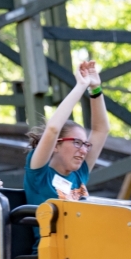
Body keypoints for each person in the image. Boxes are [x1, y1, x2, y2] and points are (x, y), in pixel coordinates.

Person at [23, 60, 109, 246]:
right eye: (77, 143)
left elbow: (101, 130)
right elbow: (53, 128)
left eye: (85, 144)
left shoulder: (79, 173)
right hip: (54, 252)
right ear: (56, 145)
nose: (83, 150)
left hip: (82, 247)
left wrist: (95, 89)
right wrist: (81, 86)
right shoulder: (40, 174)